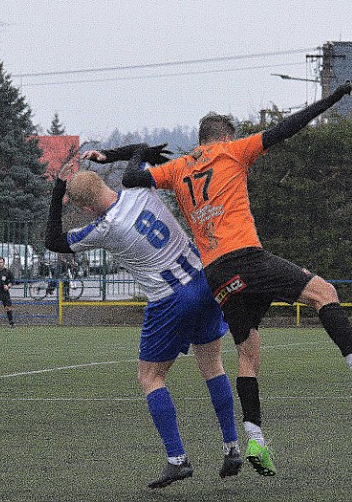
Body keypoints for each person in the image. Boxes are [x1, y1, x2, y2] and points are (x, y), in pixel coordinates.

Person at [85, 81, 352, 477]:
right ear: (224, 136)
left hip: (216, 274)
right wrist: (330, 100)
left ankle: (254, 437)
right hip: (245, 256)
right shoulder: (232, 151)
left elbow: (132, 180)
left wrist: (118, 155)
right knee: (323, 291)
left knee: (247, 352)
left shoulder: (178, 169)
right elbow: (287, 127)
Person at [45, 158, 242, 489]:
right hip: (202, 280)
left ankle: (177, 460)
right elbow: (142, 153)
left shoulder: (105, 227)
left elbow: (53, 240)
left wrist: (57, 192)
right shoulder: (139, 188)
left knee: (150, 376)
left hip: (169, 299)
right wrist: (112, 154)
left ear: (85, 204)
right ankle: (231, 447)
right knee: (213, 365)